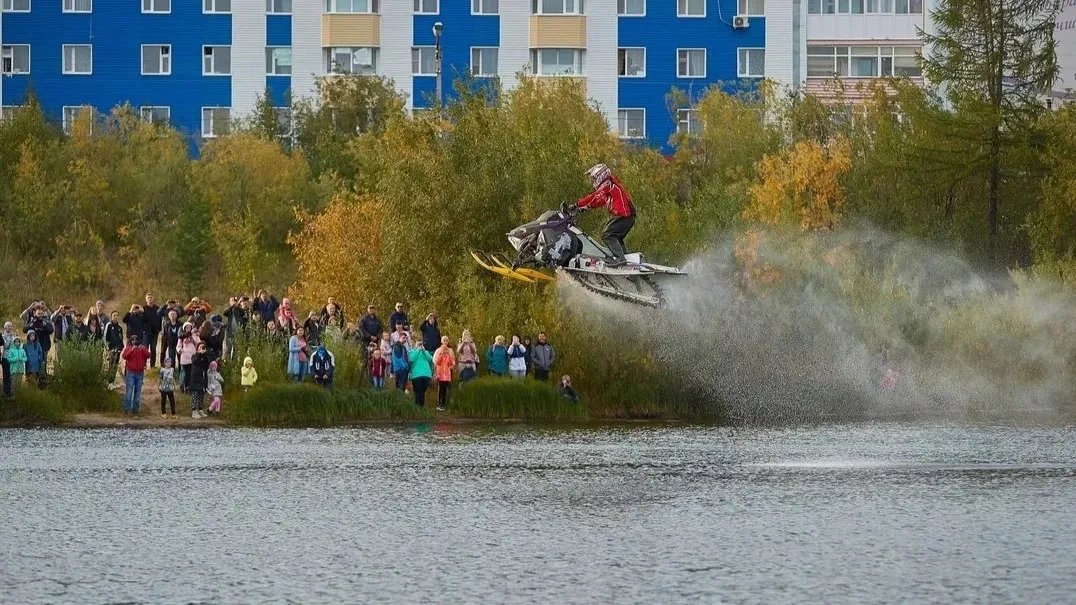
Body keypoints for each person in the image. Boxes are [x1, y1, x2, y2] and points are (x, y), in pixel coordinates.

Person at [573, 163, 636, 265]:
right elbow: (599, 201)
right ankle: (627, 260)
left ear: (601, 175)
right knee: (616, 237)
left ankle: (621, 259)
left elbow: (594, 196)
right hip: (627, 215)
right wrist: (585, 207)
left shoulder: (608, 185)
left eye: (594, 178)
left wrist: (577, 205)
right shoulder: (609, 186)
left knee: (607, 234)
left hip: (624, 214)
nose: (593, 181)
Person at [121, 335, 152, 416]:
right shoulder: (128, 348)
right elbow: (124, 356)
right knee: (129, 392)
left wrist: (143, 350)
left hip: (140, 373)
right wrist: (131, 350)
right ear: (130, 341)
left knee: (138, 393)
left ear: (139, 341)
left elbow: (149, 355)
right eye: (133, 340)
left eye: (136, 340)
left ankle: (136, 410)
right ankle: (127, 410)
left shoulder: (142, 348)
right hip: (130, 373)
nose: (135, 342)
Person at [433, 336, 455, 412]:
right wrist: (441, 355)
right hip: (440, 374)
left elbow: (451, 363)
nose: (445, 350)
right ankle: (439, 404)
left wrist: (449, 357)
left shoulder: (449, 353)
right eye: (444, 349)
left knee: (445, 390)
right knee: (440, 389)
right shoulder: (438, 352)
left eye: (446, 349)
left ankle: (443, 404)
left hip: (447, 375)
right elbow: (436, 362)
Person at [189, 342, 211, 418]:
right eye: (201, 347)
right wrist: (199, 354)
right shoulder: (194, 356)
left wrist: (204, 354)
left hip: (202, 378)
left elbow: (207, 366)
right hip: (195, 378)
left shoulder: (205, 357)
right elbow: (195, 361)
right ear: (197, 348)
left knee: (201, 395)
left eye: (203, 347)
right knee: (195, 395)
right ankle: (194, 411)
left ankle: (200, 410)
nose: (202, 348)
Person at [104, 311, 125, 389]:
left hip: (118, 350)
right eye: (114, 315)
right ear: (111, 316)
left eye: (117, 315)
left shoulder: (119, 327)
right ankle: (108, 382)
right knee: (110, 365)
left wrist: (121, 347)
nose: (115, 317)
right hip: (111, 349)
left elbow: (121, 338)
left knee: (115, 366)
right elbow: (105, 338)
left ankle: (112, 381)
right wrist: (108, 349)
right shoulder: (108, 325)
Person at [177, 323, 200, 394]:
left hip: (193, 357)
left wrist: (193, 340)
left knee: (192, 373)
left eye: (189, 327)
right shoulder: (182, 337)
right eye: (186, 327)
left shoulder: (195, 335)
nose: (188, 328)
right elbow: (178, 346)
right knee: (186, 373)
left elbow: (199, 344)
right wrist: (180, 350)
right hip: (185, 357)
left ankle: (192, 387)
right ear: (184, 328)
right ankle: (186, 387)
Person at [142, 293, 161, 367]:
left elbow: (160, 319)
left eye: (151, 297)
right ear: (146, 299)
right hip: (146, 332)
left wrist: (159, 329)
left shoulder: (157, 309)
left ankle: (152, 365)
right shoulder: (143, 309)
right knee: (145, 349)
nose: (150, 299)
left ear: (153, 299)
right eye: (148, 298)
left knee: (153, 349)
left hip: (154, 332)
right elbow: (141, 320)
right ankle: (144, 365)